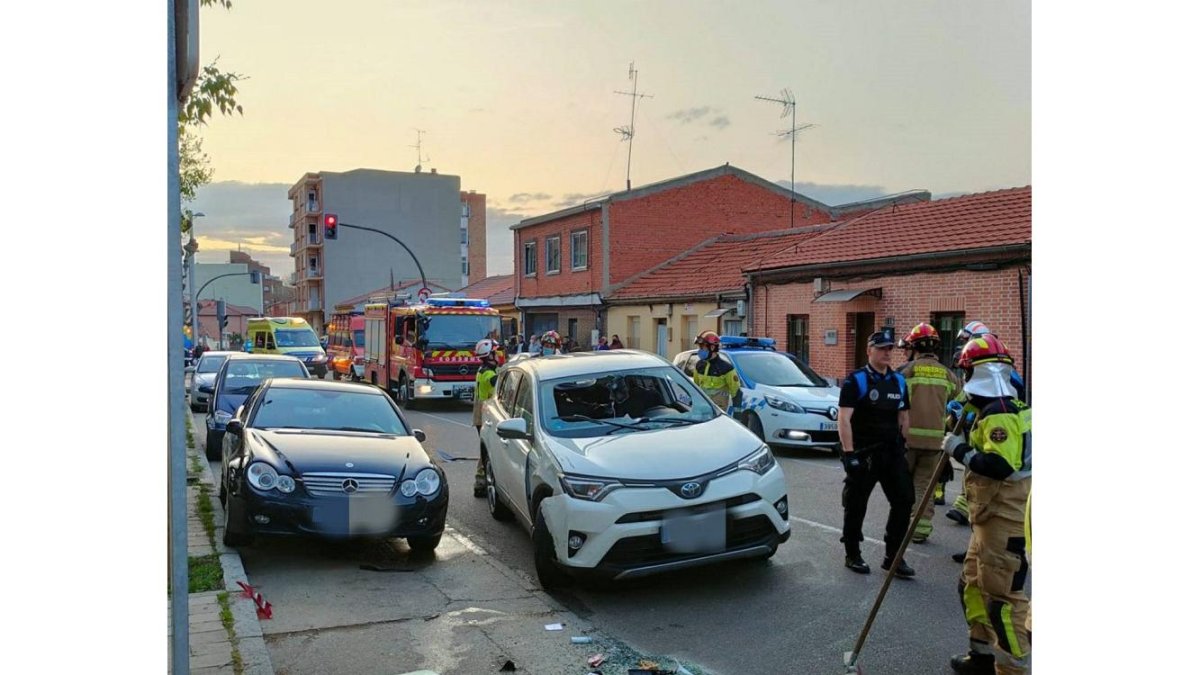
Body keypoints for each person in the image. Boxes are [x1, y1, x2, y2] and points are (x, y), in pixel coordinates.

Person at [942, 333, 1031, 674]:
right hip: (986, 518)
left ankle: (1012, 669)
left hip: (1004, 520)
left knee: (1003, 602)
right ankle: (981, 656)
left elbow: (1001, 466)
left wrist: (958, 449)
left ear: (976, 374)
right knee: (972, 585)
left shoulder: (1000, 414)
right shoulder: (991, 409)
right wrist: (960, 423)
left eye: (965, 373)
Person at [837, 327, 916, 578]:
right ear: (869, 350)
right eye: (881, 348)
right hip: (865, 453)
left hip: (891, 452)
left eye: (889, 348)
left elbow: (904, 417)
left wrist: (907, 448)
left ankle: (893, 556)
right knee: (856, 504)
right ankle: (853, 553)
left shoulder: (899, 381)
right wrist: (849, 454)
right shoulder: (856, 380)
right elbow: (844, 419)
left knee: (905, 500)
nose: (886, 353)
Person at [898, 323, 961, 544]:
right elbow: (960, 407)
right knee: (924, 488)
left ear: (914, 347)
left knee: (902, 487)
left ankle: (899, 528)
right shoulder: (949, 375)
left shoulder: (906, 371)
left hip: (905, 441)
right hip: (935, 443)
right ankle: (920, 530)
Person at [472, 338, 501, 498]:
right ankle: (481, 482)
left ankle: (481, 482)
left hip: (481, 412)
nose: (499, 355)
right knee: (487, 451)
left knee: (486, 450)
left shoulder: (483, 370)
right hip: (484, 414)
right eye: (496, 352)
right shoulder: (489, 374)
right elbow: (501, 385)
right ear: (489, 355)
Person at [690, 331, 742, 412]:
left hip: (718, 414)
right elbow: (695, 388)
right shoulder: (699, 365)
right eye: (699, 347)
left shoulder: (726, 368)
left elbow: (737, 394)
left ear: (712, 347)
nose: (699, 350)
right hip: (701, 412)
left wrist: (737, 414)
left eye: (702, 347)